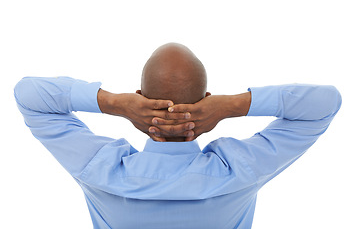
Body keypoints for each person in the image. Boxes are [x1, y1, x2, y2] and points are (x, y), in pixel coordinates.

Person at [14, 43, 342, 229]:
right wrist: (233, 106)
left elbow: (29, 94)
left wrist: (114, 103)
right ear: (207, 99)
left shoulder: (100, 169)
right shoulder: (239, 170)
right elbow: (324, 103)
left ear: (140, 96)